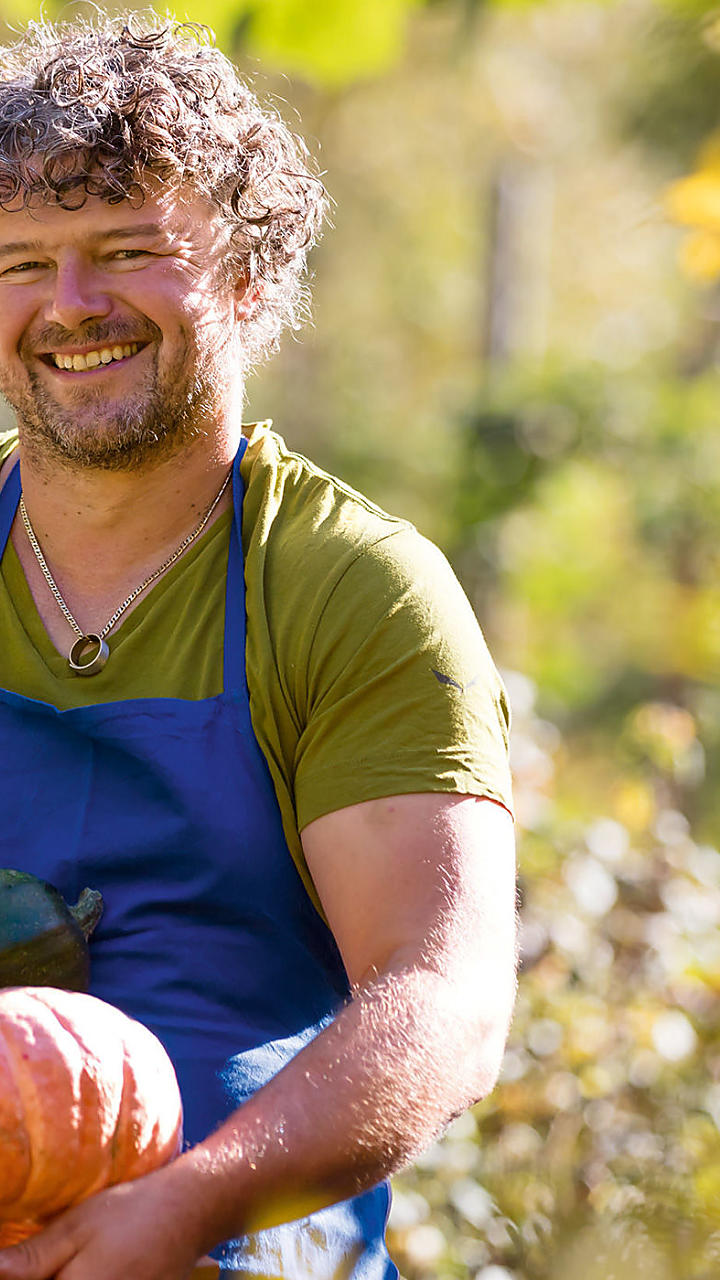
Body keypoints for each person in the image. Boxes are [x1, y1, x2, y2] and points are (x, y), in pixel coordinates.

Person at [0, 13, 517, 1280]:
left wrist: (185, 1205)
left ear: (246, 275)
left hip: (248, 1253)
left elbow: (440, 993)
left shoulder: (353, 588)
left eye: (128, 250)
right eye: (22, 260)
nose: (72, 306)